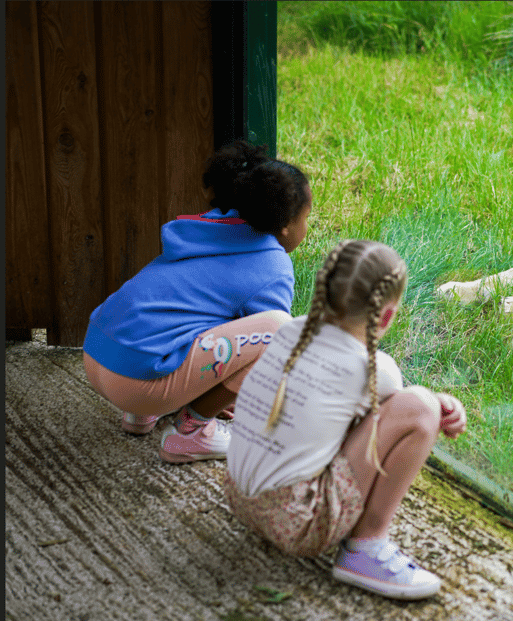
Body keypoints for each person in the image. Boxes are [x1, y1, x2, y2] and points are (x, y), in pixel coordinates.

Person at [224, 239, 467, 600]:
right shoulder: (373, 369)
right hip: (298, 523)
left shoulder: (288, 331)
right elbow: (404, 415)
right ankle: (366, 548)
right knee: (421, 410)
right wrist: (437, 403)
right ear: (386, 316)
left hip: (239, 497)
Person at [83, 140, 312, 463]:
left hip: (97, 354)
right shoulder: (272, 265)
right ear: (286, 225)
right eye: (306, 217)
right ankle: (190, 433)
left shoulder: (205, 227)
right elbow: (267, 358)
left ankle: (140, 415)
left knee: (194, 312)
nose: (307, 227)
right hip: (136, 383)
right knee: (280, 330)